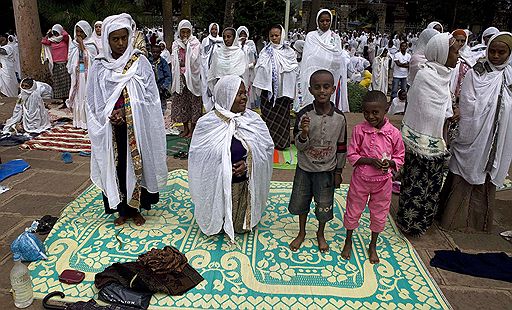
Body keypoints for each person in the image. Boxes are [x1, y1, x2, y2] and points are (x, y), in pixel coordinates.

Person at [87, 13, 168, 226]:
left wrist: (128, 112)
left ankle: (136, 208)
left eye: (124, 38)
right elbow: (94, 99)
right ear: (107, 39)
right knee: (117, 166)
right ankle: (121, 209)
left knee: (136, 164)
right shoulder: (99, 66)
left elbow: (150, 97)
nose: (121, 43)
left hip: (137, 126)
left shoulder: (139, 63)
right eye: (115, 39)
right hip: (110, 128)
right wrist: (108, 115)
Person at [439, 32, 512, 232]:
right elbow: (468, 102)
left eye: (501, 52)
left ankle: (480, 224)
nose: (496, 56)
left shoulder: (510, 75)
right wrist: (489, 107)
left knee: (486, 176)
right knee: (467, 171)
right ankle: (452, 221)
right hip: (474, 135)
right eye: (493, 51)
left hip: (498, 137)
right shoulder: (477, 72)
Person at [188, 75, 274, 241]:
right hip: (217, 185)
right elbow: (199, 161)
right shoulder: (207, 123)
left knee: (240, 228)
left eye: (244, 93)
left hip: (243, 185)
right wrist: (225, 166)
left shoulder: (253, 120)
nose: (244, 97)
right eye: (238, 93)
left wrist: (248, 164)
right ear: (225, 95)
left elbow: (267, 150)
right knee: (217, 225)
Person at [396, 33, 460, 236]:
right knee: (415, 184)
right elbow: (426, 111)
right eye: (454, 52)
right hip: (419, 143)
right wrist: (447, 114)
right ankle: (408, 223)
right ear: (441, 53)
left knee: (431, 185)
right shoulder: (425, 76)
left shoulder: (444, 76)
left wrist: (450, 113)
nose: (457, 56)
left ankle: (424, 221)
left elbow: (445, 107)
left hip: (437, 143)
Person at [341, 90, 405, 264]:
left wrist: (389, 164)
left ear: (386, 110)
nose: (370, 116)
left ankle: (373, 245)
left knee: (379, 214)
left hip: (383, 183)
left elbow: (400, 156)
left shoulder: (394, 134)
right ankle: (348, 241)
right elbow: (352, 154)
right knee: (353, 210)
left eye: (375, 112)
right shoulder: (359, 130)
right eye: (366, 112)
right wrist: (369, 161)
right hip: (361, 180)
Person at [288, 69, 347, 253]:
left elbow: (342, 147)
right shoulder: (304, 115)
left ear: (333, 89)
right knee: (301, 202)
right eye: (317, 87)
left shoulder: (339, 118)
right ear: (310, 90)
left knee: (324, 205)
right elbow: (299, 145)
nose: (322, 91)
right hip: (305, 168)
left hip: (326, 171)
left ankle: (320, 233)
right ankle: (302, 232)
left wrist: (338, 172)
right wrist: (304, 133)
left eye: (326, 87)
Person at [253, 25, 299, 150]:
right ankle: (268, 143)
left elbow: (293, 69)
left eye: (277, 35)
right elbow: (260, 68)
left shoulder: (288, 52)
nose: (274, 38)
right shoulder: (265, 51)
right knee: (268, 117)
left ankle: (282, 143)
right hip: (268, 92)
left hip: (283, 92)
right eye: (272, 36)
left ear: (281, 35)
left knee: (282, 118)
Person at [297, 9, 348, 112]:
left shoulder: (335, 37)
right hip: (312, 73)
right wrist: (322, 59)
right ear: (317, 21)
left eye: (327, 20)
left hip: (330, 73)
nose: (325, 23)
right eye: (322, 21)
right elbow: (308, 57)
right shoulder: (311, 36)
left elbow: (337, 57)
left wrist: (325, 60)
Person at [170, 19, 202, 138]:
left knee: (193, 102)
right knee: (182, 103)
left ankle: (193, 129)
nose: (185, 35)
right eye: (182, 32)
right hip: (180, 78)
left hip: (192, 78)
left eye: (187, 32)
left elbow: (195, 60)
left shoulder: (195, 43)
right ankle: (185, 128)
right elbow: (174, 60)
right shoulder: (176, 44)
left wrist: (188, 46)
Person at [66, 20, 98, 129]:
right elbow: (70, 59)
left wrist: (82, 46)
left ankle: (88, 122)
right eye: (77, 31)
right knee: (78, 97)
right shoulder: (73, 44)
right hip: (77, 74)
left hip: (87, 76)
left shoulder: (91, 44)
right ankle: (79, 122)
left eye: (81, 32)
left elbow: (93, 60)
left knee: (86, 95)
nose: (79, 34)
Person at [208, 27, 247, 105]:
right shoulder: (218, 53)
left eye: (229, 37)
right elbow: (213, 72)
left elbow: (242, 72)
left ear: (234, 37)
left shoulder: (239, 53)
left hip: (235, 89)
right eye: (224, 37)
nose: (226, 39)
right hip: (221, 88)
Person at [41, 24, 71, 106]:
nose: (56, 34)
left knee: (66, 83)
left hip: (64, 64)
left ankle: (68, 101)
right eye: (54, 32)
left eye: (57, 32)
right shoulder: (52, 40)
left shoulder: (64, 40)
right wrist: (48, 33)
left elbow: (65, 35)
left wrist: (62, 29)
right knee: (59, 84)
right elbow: (43, 41)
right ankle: (63, 101)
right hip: (56, 65)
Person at [200, 23, 223, 111]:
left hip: (218, 71)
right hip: (208, 69)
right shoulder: (205, 40)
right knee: (208, 87)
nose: (214, 31)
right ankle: (210, 109)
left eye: (215, 29)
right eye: (212, 29)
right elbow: (203, 56)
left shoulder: (221, 40)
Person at [237, 26, 258, 109]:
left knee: (248, 88)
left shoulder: (251, 44)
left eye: (244, 34)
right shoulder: (236, 45)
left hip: (249, 71)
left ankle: (248, 107)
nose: (243, 36)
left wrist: (250, 65)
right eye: (241, 34)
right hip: (239, 71)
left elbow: (254, 58)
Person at [151, 44, 172, 114]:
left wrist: (165, 85)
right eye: (153, 52)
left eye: (157, 52)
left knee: (162, 103)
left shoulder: (163, 62)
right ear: (151, 52)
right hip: (151, 87)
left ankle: (161, 115)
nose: (155, 54)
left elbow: (168, 75)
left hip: (161, 86)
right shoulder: (149, 61)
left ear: (160, 53)